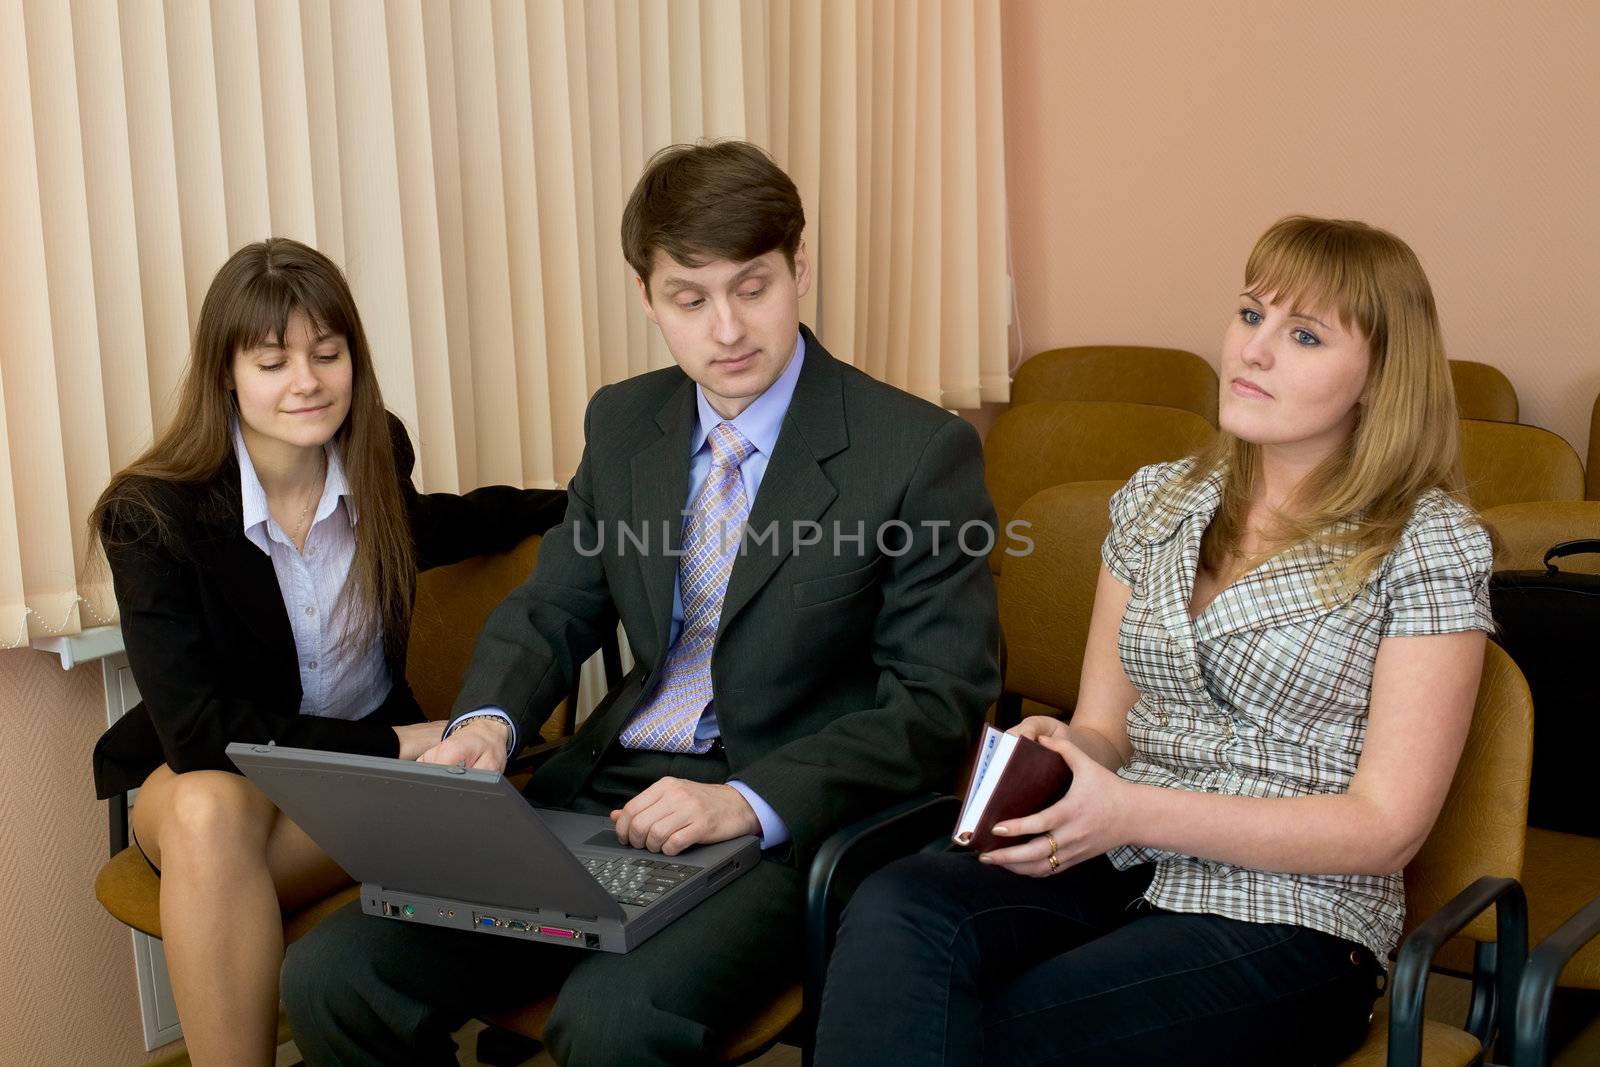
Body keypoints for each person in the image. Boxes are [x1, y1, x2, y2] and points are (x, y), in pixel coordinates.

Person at [280, 140, 1002, 1066]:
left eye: (754, 287)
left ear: (801, 269)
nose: (728, 328)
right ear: (648, 298)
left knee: (614, 1022)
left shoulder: (915, 450)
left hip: (782, 821)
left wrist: (745, 800)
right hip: (604, 793)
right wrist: (489, 723)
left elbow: (937, 704)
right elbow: (556, 604)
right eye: (690, 299)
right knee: (336, 977)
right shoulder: (625, 422)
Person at [814, 216, 1495, 1066]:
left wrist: (1131, 806)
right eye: (1251, 316)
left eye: (1305, 335)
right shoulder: (1159, 501)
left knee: (1001, 1031)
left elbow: (1384, 826)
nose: (1255, 350)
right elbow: (1108, 727)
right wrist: (1067, 743)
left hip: (1295, 913)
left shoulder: (1428, 542)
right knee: (895, 906)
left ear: (1379, 379)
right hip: (1119, 852)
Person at [90, 237, 567, 1067]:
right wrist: (393, 744)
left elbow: (439, 526)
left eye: (327, 353)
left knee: (221, 860)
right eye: (272, 361)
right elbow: (200, 732)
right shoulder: (152, 513)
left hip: (335, 792)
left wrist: (591, 506)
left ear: (354, 359)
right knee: (210, 807)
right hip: (216, 774)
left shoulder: (374, 449)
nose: (306, 381)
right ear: (225, 375)